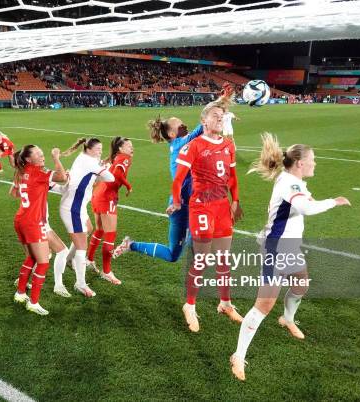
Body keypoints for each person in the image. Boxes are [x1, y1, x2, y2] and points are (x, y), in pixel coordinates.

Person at [230, 133, 351, 381]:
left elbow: (304, 202)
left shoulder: (293, 182)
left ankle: (287, 319)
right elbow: (306, 207)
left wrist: (317, 200)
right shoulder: (289, 184)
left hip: (290, 248)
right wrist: (334, 201)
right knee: (263, 305)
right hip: (276, 249)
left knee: (301, 283)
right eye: (312, 160)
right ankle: (238, 356)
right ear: (300, 163)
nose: (315, 163)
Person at [113, 84, 233, 263]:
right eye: (181, 125)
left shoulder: (184, 143)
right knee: (173, 255)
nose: (185, 126)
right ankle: (131, 245)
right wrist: (221, 101)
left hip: (193, 203)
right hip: (179, 205)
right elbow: (204, 123)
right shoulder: (179, 144)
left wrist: (222, 105)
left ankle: (131, 245)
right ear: (171, 133)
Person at [167, 100, 244, 333]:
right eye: (215, 114)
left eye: (222, 115)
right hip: (201, 207)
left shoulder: (229, 145)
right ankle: (189, 305)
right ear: (204, 121)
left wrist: (236, 202)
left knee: (223, 259)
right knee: (201, 260)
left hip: (222, 207)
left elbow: (232, 176)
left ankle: (225, 303)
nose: (220, 118)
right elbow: (179, 179)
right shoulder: (193, 146)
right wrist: (178, 201)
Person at [12, 145, 67, 315]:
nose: (42, 154)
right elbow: (63, 177)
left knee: (32, 257)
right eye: (38, 153)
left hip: (21, 219)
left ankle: (20, 293)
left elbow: (14, 193)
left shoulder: (23, 172)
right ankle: (33, 302)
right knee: (43, 262)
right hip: (33, 222)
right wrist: (56, 157)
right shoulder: (38, 172)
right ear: (28, 159)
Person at [58, 138, 115, 297]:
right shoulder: (89, 162)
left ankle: (69, 260)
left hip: (78, 206)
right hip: (72, 208)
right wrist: (103, 167)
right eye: (97, 149)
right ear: (89, 149)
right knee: (82, 247)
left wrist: (100, 167)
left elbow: (95, 178)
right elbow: (110, 178)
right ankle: (80, 284)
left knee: (89, 229)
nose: (100, 152)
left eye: (101, 149)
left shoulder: (86, 159)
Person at [87, 137, 134, 285]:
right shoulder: (124, 158)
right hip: (107, 197)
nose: (132, 148)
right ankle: (107, 272)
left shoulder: (111, 159)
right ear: (120, 149)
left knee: (100, 229)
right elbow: (118, 176)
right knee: (110, 235)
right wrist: (128, 185)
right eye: (128, 146)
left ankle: (88, 260)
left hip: (97, 194)